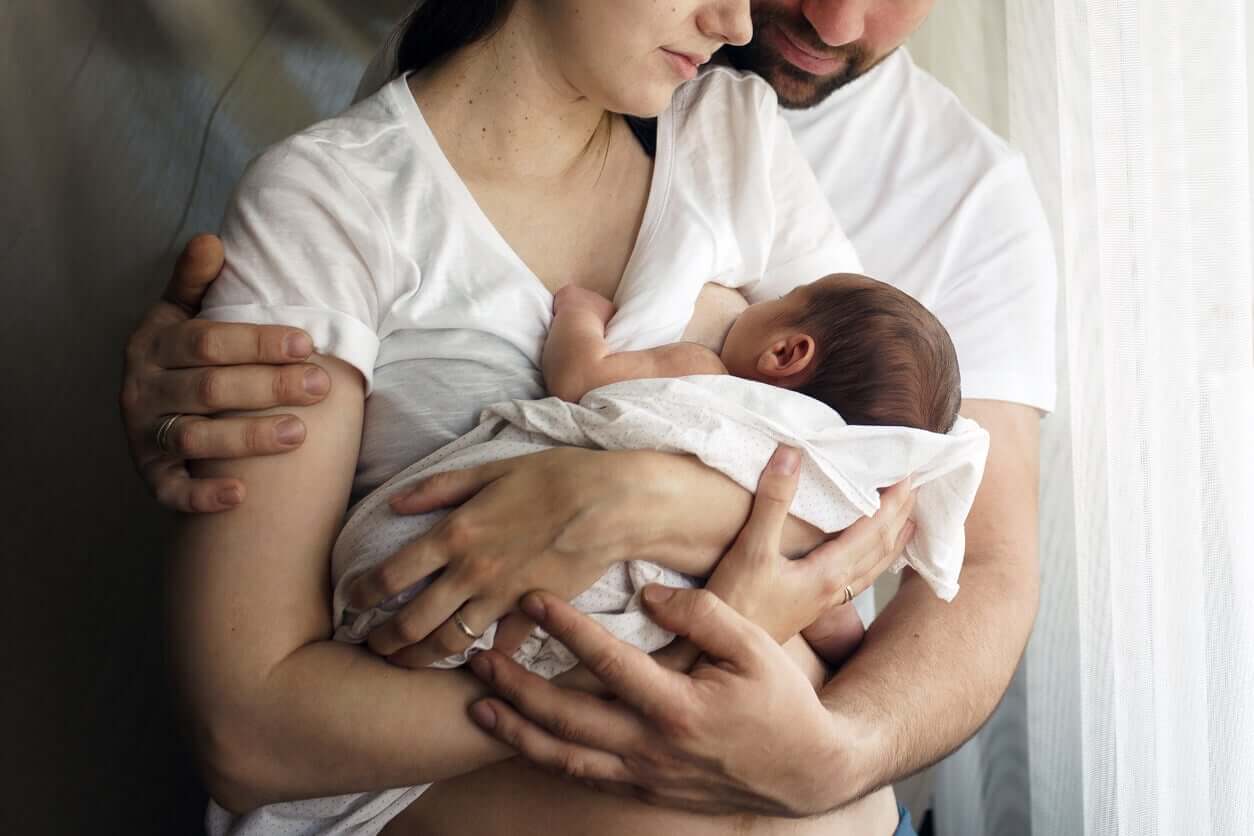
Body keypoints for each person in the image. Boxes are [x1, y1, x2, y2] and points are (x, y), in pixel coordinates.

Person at [122, 0, 1054, 830]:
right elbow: (246, 732)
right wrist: (659, 677)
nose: (739, 23)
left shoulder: (737, 136)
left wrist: (644, 497)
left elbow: (889, 493)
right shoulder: (332, 206)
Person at [543, 273, 961, 434]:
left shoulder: (700, 370)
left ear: (783, 353)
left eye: (784, 296)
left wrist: (580, 312)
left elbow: (578, 379)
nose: (753, 299)